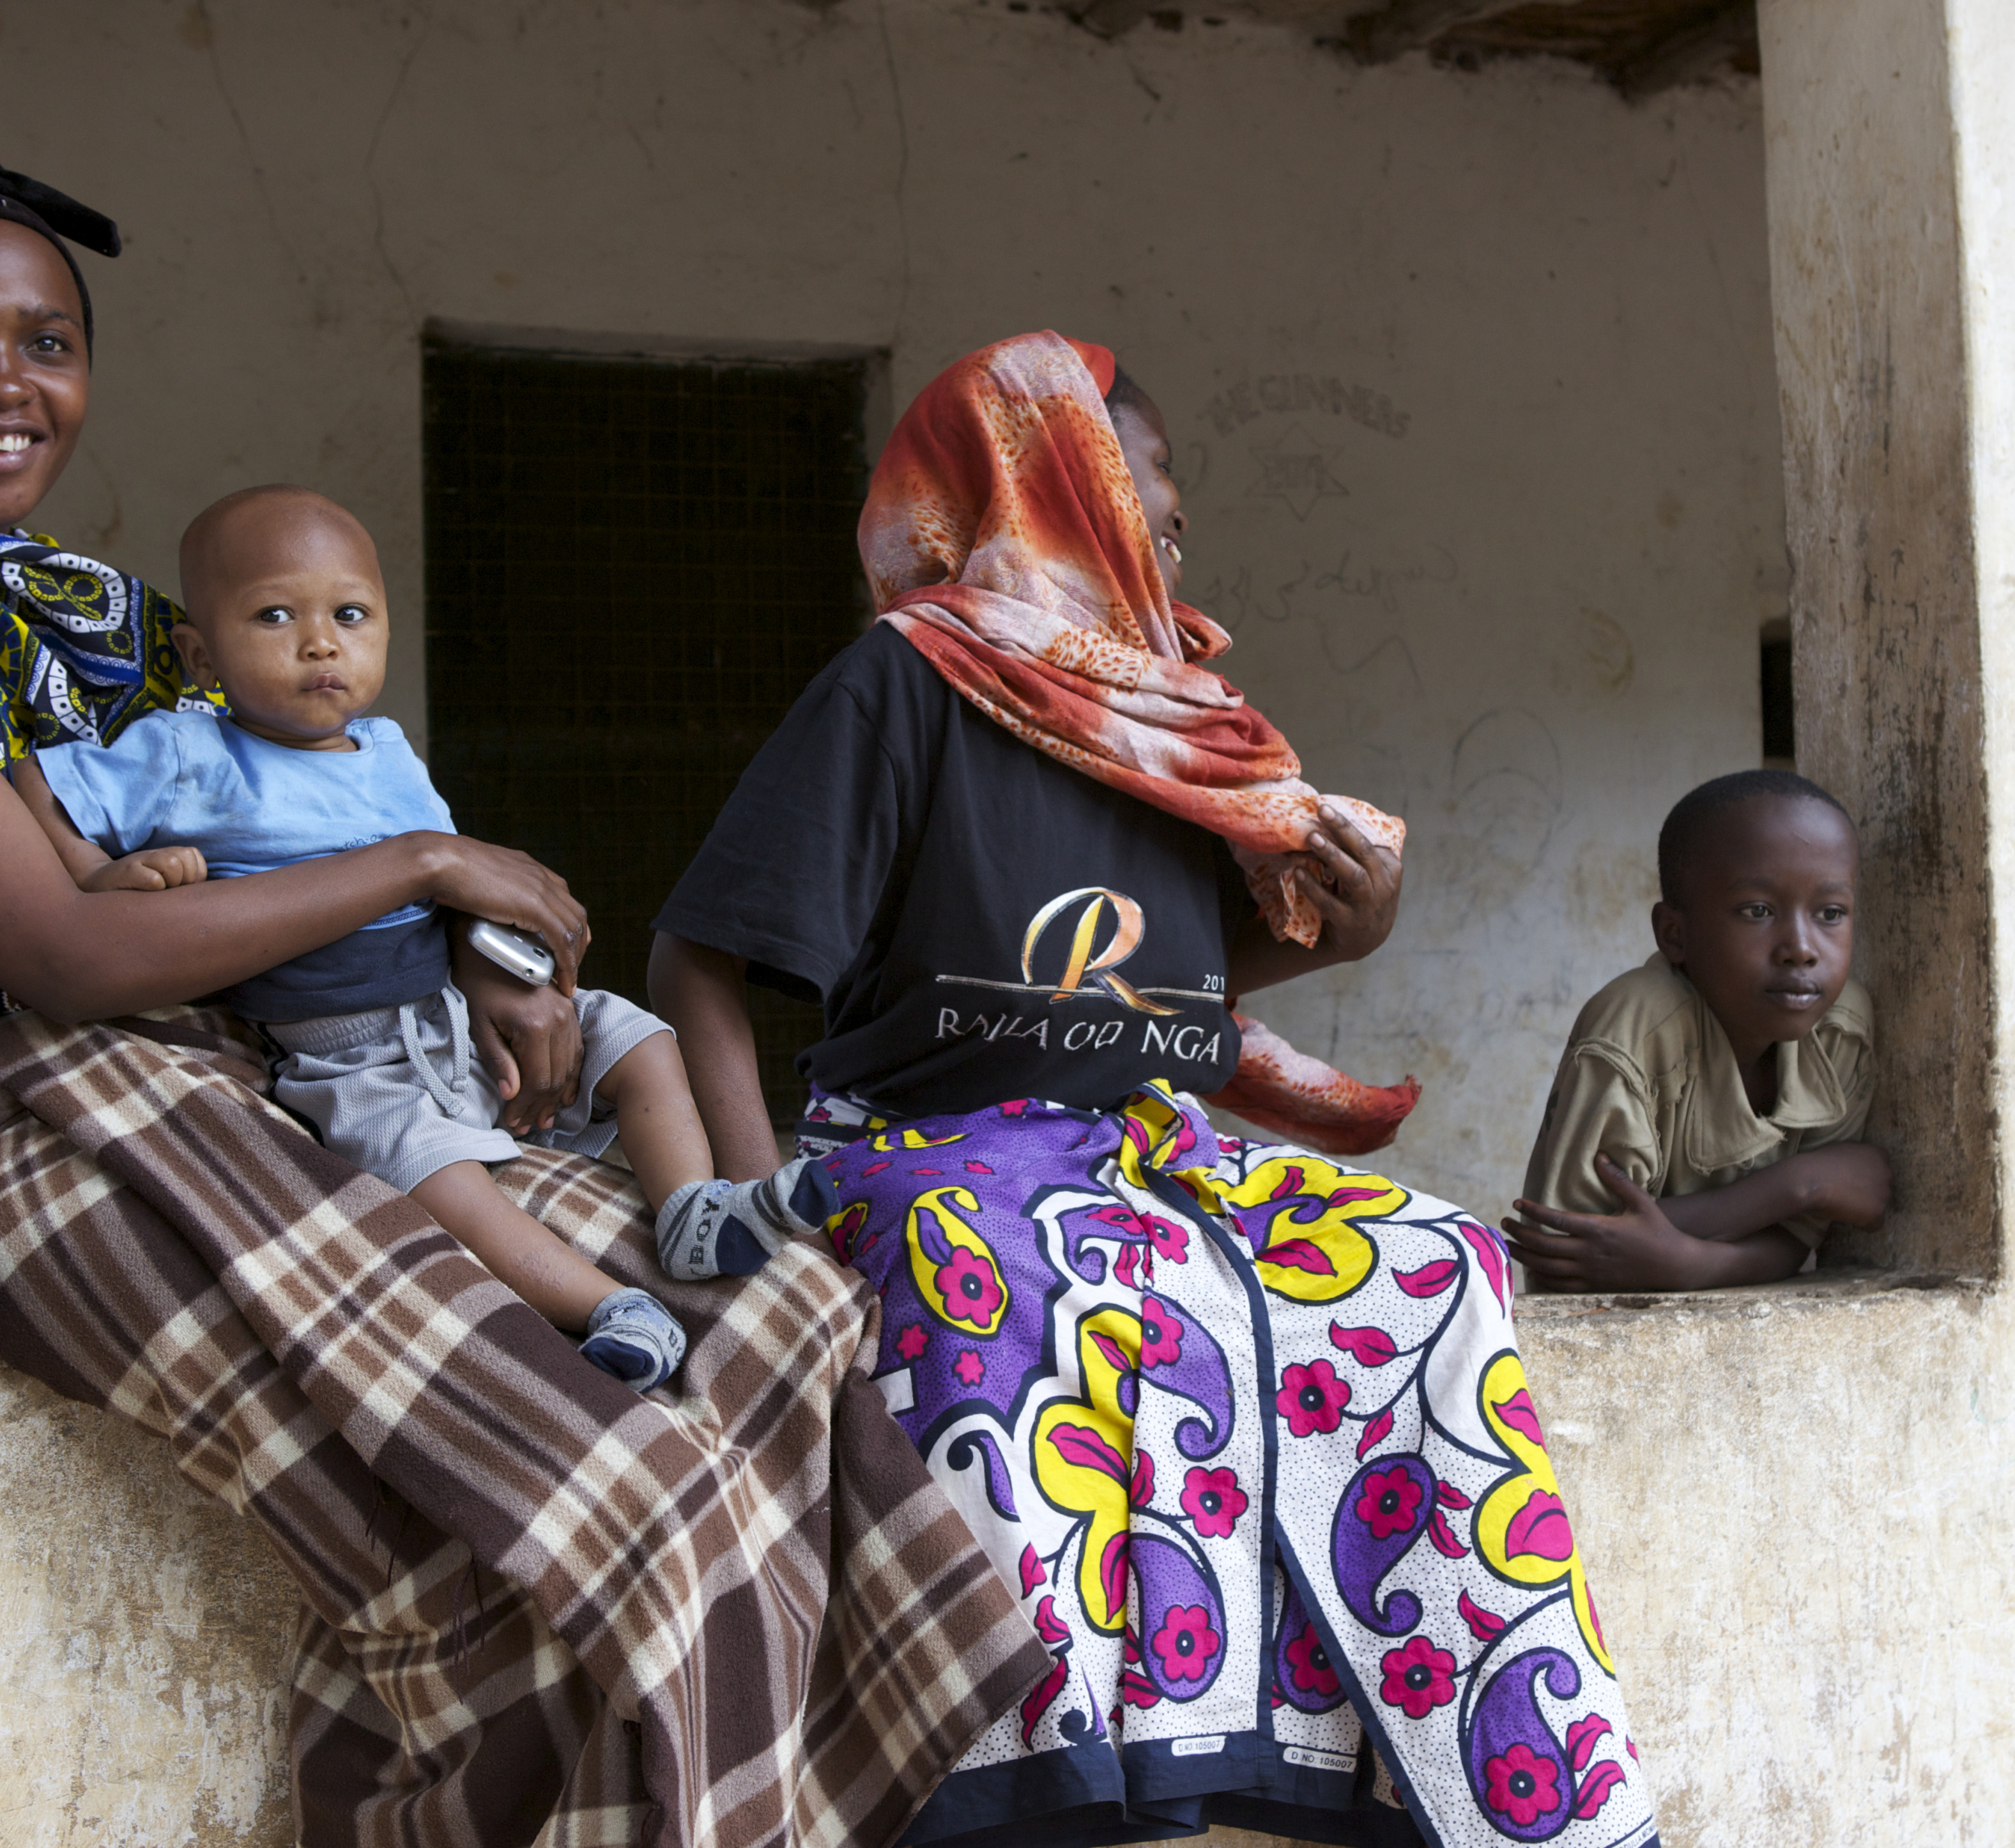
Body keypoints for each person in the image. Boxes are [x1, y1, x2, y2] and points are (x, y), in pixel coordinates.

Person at [0, 152, 1041, 1845]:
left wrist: (481, 969)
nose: (8, 383)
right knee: (621, 1508)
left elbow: (267, 858)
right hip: (51, 1121)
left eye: (46, 340)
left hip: (265, 1081)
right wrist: (431, 870)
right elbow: (57, 951)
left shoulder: (119, 622)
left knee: (775, 1327)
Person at [650, 332, 1660, 1848]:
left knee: (1436, 1265)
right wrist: (756, 1213)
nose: (1179, 505)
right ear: (1043, 476)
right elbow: (693, 960)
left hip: (1145, 1151)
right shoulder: (906, 682)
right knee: (1026, 1265)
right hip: (933, 1149)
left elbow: (1163, 1000)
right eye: (1148, 465)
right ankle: (1051, 1780)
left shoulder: (1182, 719)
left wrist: (1355, 926)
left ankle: (1478, 1769)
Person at [11, 485, 833, 1388]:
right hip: (349, 1054)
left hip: (450, 1008)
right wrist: (94, 871)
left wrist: (506, 967)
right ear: (201, 654)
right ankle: (605, 1306)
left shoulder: (390, 750)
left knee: (640, 1040)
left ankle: (689, 1210)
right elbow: (35, 783)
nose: (321, 641)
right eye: (275, 615)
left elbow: (463, 895)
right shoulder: (188, 752)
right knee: (433, 1175)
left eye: (351, 614)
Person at [1505, 770, 1888, 1293]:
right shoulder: (1634, 1032)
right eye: (1758, 911)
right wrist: (1804, 1184)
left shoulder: (1841, 1030)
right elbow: (1571, 1258)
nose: (1801, 946)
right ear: (1674, 934)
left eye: (1831, 913)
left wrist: (1690, 1262)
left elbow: (1796, 1239)